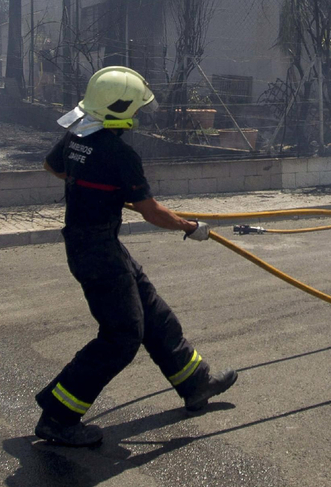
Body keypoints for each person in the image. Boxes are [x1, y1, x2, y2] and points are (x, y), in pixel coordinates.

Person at [33, 65, 238, 447]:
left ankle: (195, 384)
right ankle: (57, 417)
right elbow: (152, 212)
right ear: (121, 110)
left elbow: (52, 167)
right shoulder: (120, 155)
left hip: (93, 243)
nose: (139, 116)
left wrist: (94, 188)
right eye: (136, 110)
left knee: (153, 313)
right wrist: (190, 228)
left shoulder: (76, 133)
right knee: (122, 335)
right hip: (96, 251)